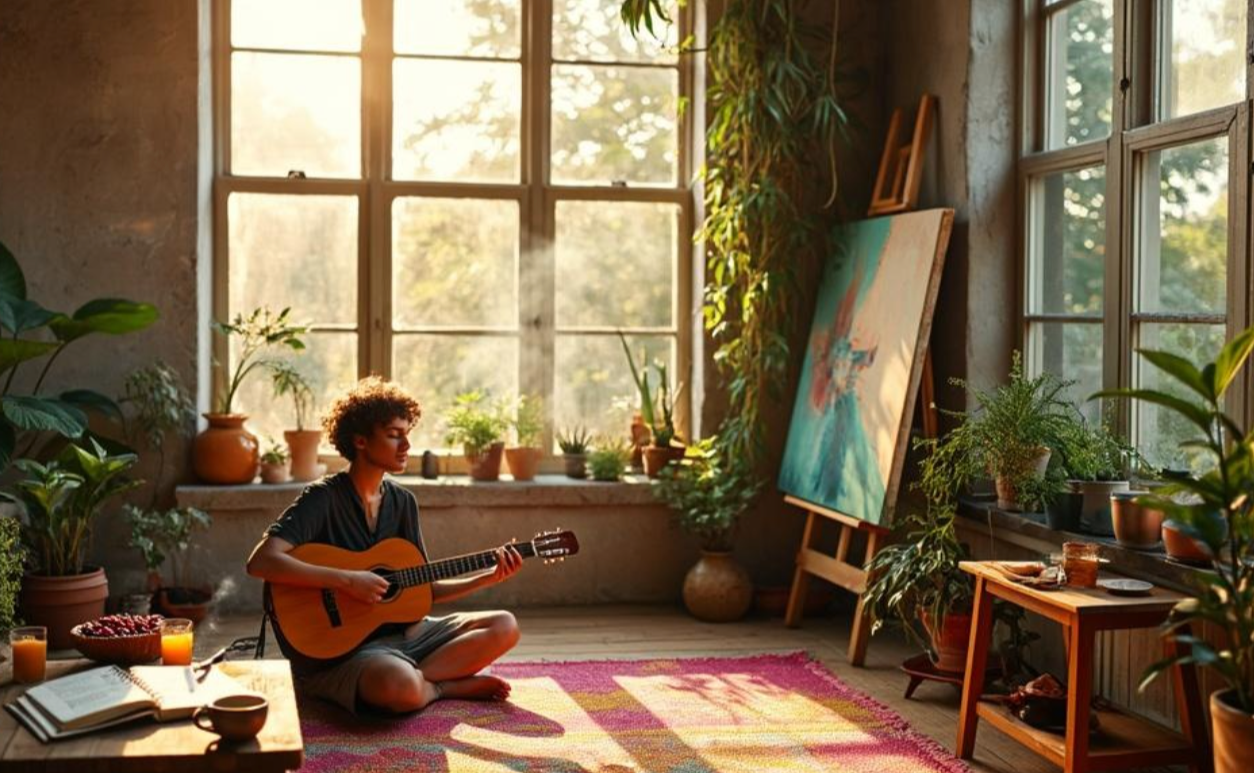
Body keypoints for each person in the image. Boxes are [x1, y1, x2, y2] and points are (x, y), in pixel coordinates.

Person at [246, 376, 523, 715]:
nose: (406, 445)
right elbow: (261, 561)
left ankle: (422, 684)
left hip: (408, 637)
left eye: (407, 434)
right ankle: (442, 686)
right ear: (360, 440)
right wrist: (347, 580)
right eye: (394, 435)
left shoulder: (403, 502)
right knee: (396, 683)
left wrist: (488, 577)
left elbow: (424, 589)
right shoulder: (323, 498)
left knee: (505, 625)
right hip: (343, 654)